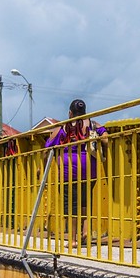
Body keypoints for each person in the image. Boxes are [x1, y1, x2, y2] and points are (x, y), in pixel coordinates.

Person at [45, 99, 107, 246]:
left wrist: (42, 167)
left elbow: (47, 147)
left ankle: (72, 240)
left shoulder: (61, 128)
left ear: (70, 113)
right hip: (88, 170)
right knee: (85, 202)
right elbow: (105, 138)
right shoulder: (93, 124)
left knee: (71, 205)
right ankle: (85, 233)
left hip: (68, 173)